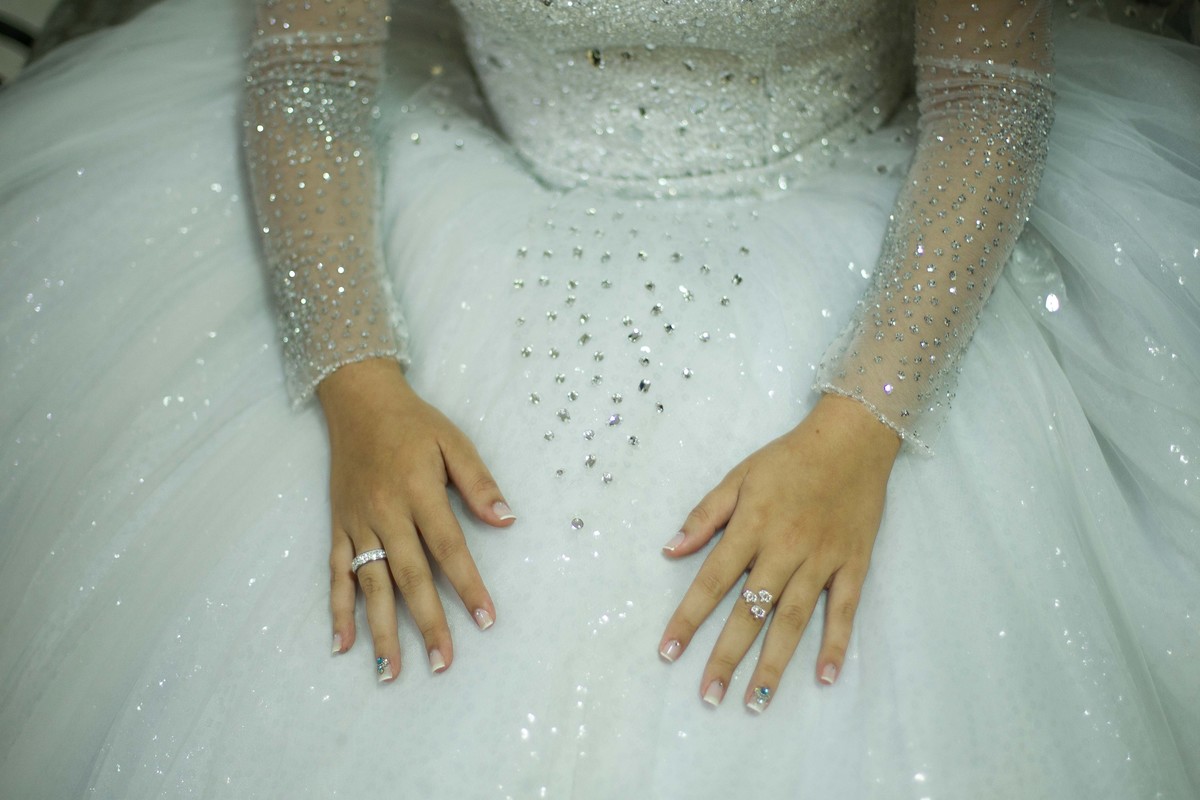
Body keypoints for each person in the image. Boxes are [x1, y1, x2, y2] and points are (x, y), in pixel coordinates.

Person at [0, 0, 1196, 796]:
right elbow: (307, 72)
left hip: (867, 229)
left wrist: (863, 423)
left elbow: (991, 95)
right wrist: (358, 380)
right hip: (477, 194)